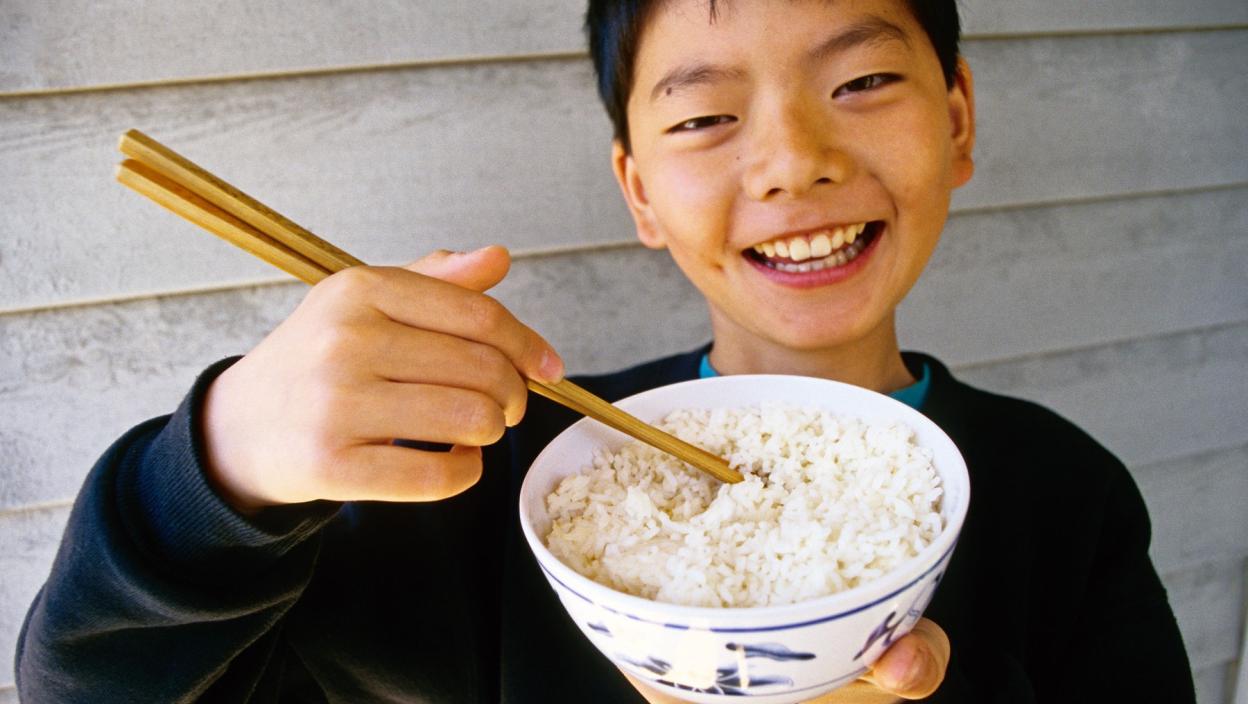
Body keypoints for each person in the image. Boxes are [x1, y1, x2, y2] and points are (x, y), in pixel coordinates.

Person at [16, 0, 1196, 701]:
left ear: (957, 118)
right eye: (705, 116)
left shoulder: (1065, 493)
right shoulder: (507, 488)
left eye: (864, 79)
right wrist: (219, 468)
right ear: (638, 190)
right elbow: (95, 681)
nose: (794, 161)